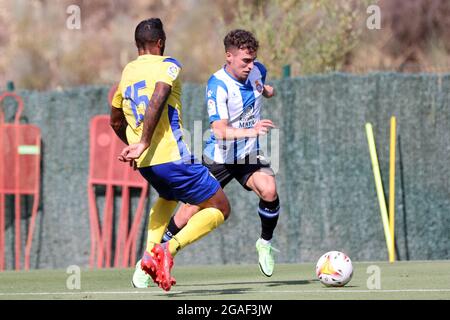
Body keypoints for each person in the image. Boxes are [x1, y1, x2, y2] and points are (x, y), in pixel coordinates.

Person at [139, 29, 279, 286]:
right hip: (219, 157)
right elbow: (220, 131)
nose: (250, 66)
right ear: (229, 56)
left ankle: (265, 244)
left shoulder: (259, 70)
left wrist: (267, 91)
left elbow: (261, 85)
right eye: (244, 61)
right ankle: (152, 259)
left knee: (269, 190)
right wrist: (253, 130)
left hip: (247, 155)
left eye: (252, 60)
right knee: (187, 212)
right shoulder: (217, 85)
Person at [110, 18, 230, 292]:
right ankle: (167, 249)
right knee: (220, 207)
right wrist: (142, 142)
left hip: (147, 163)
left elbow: (115, 120)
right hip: (171, 156)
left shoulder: (128, 71)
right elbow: (159, 96)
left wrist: (134, 146)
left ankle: (143, 268)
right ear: (160, 43)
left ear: (138, 45)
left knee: (167, 197)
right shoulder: (168, 65)